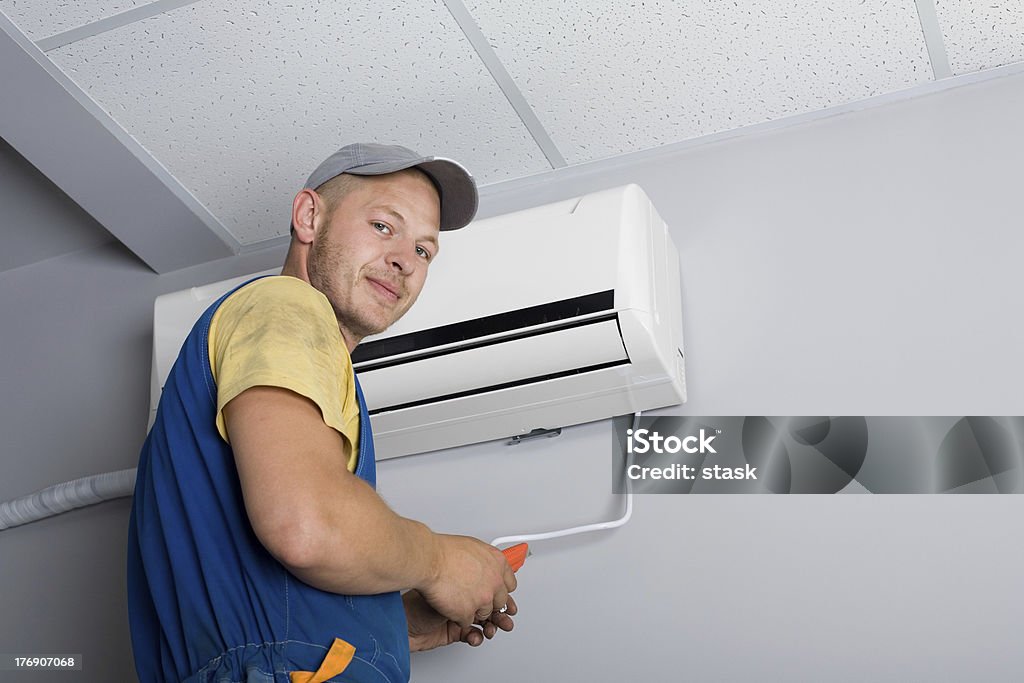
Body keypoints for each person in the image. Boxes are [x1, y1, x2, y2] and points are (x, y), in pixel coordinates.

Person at [127, 143, 518, 683]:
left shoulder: (308, 359)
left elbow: (269, 608)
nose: (406, 259)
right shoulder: (286, 305)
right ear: (309, 216)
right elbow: (305, 527)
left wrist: (392, 624)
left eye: (425, 251)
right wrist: (438, 560)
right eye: (384, 226)